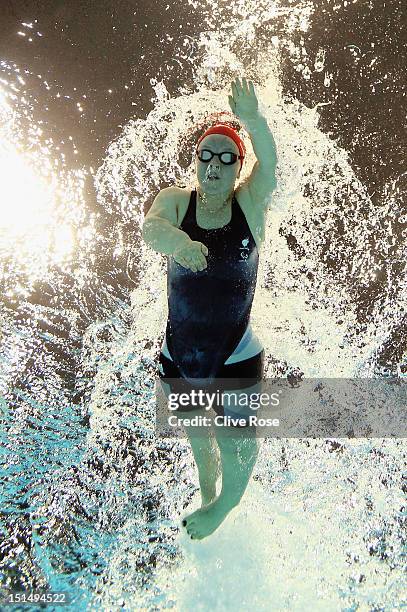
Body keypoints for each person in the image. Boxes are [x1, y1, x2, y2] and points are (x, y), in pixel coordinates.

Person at [142, 77, 277, 539]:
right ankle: (206, 493)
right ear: (195, 161)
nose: (214, 163)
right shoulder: (178, 202)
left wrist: (254, 121)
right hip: (180, 353)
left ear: (239, 166)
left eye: (227, 157)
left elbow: (272, 166)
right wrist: (179, 242)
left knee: (238, 440)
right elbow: (150, 227)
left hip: (236, 349)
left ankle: (222, 508)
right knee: (201, 443)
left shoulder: (250, 204)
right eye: (207, 154)